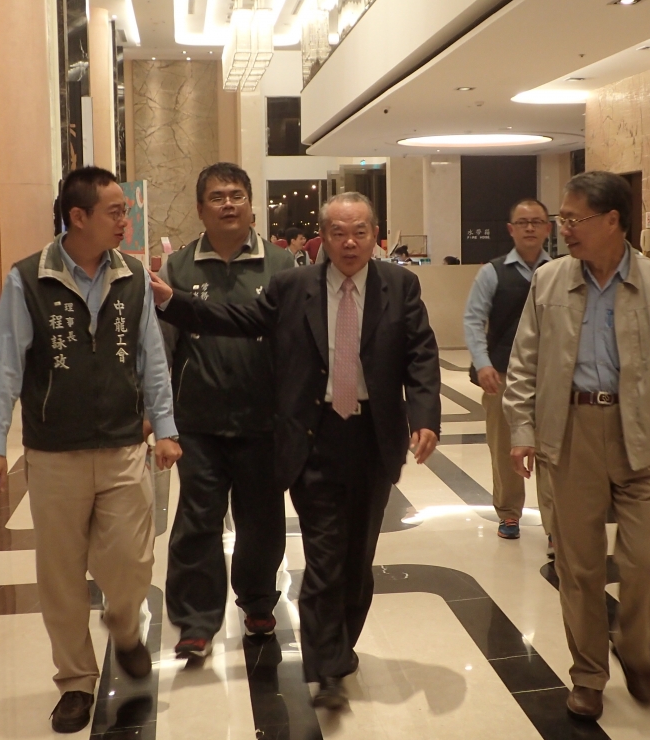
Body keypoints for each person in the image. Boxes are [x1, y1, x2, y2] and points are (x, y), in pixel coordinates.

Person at [149, 192, 441, 711]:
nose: (349, 243)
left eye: (359, 232)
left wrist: (424, 417)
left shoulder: (400, 286)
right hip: (313, 436)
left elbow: (420, 354)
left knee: (357, 558)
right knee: (324, 554)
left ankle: (340, 646)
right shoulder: (294, 286)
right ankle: (326, 666)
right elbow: (237, 320)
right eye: (338, 233)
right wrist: (174, 301)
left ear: (375, 236)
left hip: (372, 438)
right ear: (322, 238)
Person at [0, 166, 183, 734]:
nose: (125, 221)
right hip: (54, 453)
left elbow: (151, 358)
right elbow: (4, 364)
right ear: (78, 217)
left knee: (132, 561)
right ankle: (74, 681)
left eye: (125, 211)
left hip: (123, 444)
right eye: (115, 211)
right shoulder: (29, 279)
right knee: (61, 573)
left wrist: (166, 426)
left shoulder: (133, 277)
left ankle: (125, 625)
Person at [503, 171, 650, 721]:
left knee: (647, 560)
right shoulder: (549, 282)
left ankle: (635, 647)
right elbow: (523, 363)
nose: (564, 229)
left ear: (613, 221)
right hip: (569, 434)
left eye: (575, 219)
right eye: (563, 219)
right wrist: (522, 431)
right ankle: (588, 674)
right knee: (580, 567)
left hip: (638, 433)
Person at [158, 162, 296, 660]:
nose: (229, 205)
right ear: (200, 209)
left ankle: (258, 602)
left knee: (261, 520)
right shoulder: (178, 269)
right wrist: (160, 416)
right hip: (198, 421)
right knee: (197, 520)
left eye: (237, 195)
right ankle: (195, 622)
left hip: (264, 421)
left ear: (252, 205)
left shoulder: (281, 264)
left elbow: (296, 342)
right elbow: (163, 346)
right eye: (217, 197)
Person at [462, 199, 555, 549]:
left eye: (537, 221)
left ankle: (555, 522)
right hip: (502, 374)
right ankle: (508, 513)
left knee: (552, 450)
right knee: (504, 447)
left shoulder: (561, 271)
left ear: (548, 228)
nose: (530, 228)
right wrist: (482, 363)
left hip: (552, 376)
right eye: (523, 222)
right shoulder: (492, 272)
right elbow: (473, 319)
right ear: (510, 229)